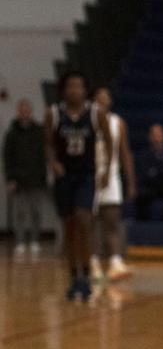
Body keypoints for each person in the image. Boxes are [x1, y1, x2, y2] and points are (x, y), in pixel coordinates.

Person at [45, 71, 112, 302]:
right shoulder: (54, 114)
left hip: (86, 175)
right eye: (70, 86)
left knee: (84, 219)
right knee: (70, 227)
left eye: (79, 86)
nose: (75, 90)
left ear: (86, 90)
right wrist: (53, 162)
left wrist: (105, 172)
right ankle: (75, 278)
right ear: (64, 90)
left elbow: (109, 141)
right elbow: (48, 144)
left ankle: (86, 275)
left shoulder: (95, 114)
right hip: (64, 177)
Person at [91, 87, 136, 281]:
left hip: (112, 177)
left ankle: (115, 262)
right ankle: (92, 262)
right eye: (98, 98)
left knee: (112, 219)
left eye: (106, 97)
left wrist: (131, 181)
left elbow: (125, 153)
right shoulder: (88, 121)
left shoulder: (118, 123)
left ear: (110, 101)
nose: (102, 101)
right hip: (90, 176)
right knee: (91, 222)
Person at [4, 98, 47, 258]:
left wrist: (44, 177)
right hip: (18, 179)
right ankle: (20, 242)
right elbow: (7, 157)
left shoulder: (39, 131)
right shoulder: (12, 133)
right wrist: (10, 179)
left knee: (36, 211)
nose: (24, 112)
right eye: (21, 109)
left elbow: (43, 156)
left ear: (31, 111)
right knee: (20, 212)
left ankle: (35, 240)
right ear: (18, 112)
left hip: (36, 178)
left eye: (27, 109)